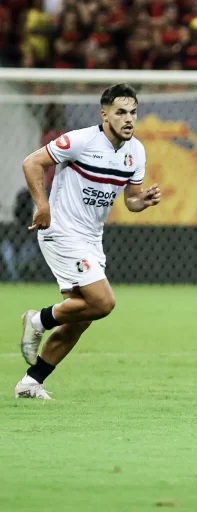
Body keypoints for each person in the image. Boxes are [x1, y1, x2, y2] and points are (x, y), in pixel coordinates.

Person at [17, 84, 161, 400]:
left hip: (91, 239)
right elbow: (32, 162)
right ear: (104, 113)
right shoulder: (80, 140)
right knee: (104, 303)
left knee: (81, 318)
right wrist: (43, 205)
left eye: (133, 112)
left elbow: (131, 202)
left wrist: (144, 201)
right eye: (121, 112)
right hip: (62, 231)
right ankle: (37, 319)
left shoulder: (136, 151)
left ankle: (31, 382)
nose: (129, 119)